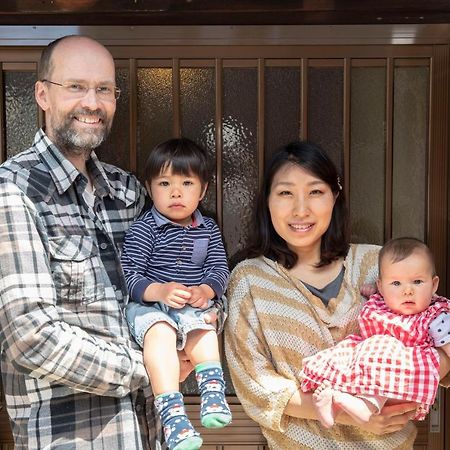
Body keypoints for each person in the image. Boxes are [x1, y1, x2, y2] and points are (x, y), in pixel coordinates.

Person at [0, 35, 220, 450]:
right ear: (42, 94)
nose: (92, 102)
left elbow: (179, 273)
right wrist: (150, 366)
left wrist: (207, 313)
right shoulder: (13, 191)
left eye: (104, 89)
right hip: (70, 436)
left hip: (153, 432)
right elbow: (29, 335)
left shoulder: (128, 191)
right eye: (76, 86)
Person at [224, 140, 450, 449]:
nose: (300, 209)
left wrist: (425, 368)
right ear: (267, 201)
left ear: (335, 196)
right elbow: (256, 384)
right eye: (286, 193)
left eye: (315, 192)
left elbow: (436, 326)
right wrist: (352, 414)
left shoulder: (378, 265)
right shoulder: (250, 281)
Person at [121, 137, 232, 450]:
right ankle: (172, 414)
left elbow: (219, 270)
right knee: (160, 334)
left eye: (186, 183)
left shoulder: (208, 229)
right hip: (150, 308)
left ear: (203, 189)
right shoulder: (146, 228)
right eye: (164, 183)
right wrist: (160, 290)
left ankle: (212, 393)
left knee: (203, 329)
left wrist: (206, 290)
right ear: (150, 187)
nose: (175, 192)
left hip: (189, 307)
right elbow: (130, 277)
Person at [300, 237, 450, 429]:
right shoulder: (380, 301)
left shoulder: (436, 317)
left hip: (404, 373)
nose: (407, 291)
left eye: (418, 281)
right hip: (366, 363)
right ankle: (335, 400)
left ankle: (362, 405)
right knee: (340, 359)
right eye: (396, 283)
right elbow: (376, 294)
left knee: (393, 378)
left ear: (434, 284)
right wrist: (372, 291)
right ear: (381, 286)